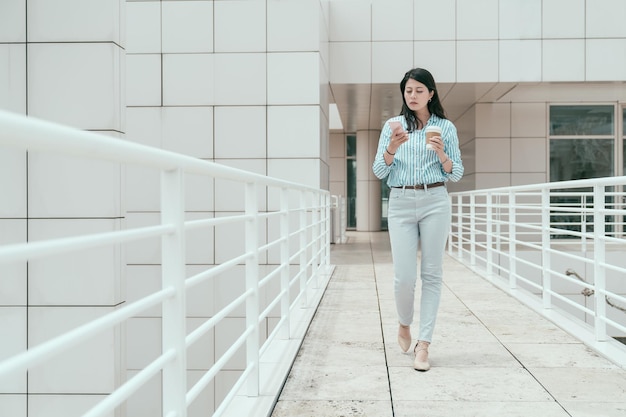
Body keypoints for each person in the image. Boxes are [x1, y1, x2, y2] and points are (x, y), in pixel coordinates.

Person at [372, 68, 463, 371]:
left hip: (435, 200)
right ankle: (404, 323)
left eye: (419, 90)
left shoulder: (445, 128)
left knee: (433, 274)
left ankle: (424, 344)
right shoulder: (393, 126)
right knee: (404, 277)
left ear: (431, 94)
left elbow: (457, 173)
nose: (412, 96)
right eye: (408, 90)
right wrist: (391, 149)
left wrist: (442, 156)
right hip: (400, 202)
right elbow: (379, 171)